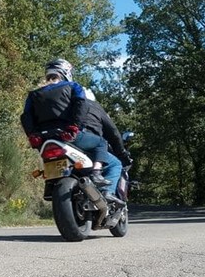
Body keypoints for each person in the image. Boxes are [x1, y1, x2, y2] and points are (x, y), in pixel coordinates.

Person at [20, 58, 113, 190]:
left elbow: (26, 116)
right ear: (65, 72)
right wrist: (75, 127)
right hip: (66, 134)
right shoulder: (73, 86)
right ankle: (96, 173)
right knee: (101, 143)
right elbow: (81, 106)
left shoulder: (33, 94)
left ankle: (51, 182)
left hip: (44, 139)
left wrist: (32, 134)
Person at [83, 90, 130, 198]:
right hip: (89, 144)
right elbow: (113, 132)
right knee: (116, 164)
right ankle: (108, 192)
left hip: (67, 143)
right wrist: (121, 152)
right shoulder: (95, 107)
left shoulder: (67, 108)